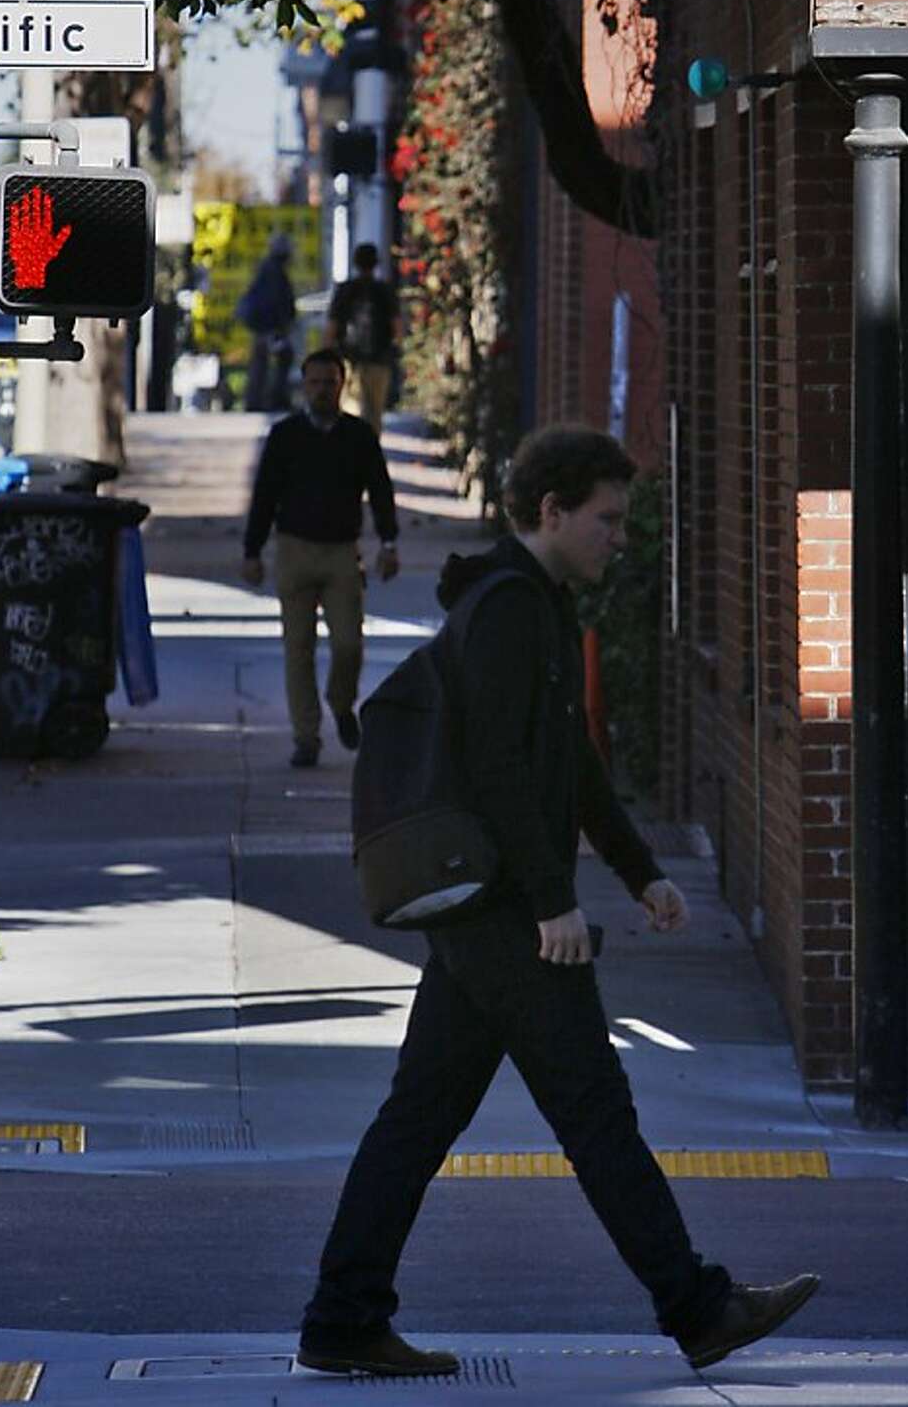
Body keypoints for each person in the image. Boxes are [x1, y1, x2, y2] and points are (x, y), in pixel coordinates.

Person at [296, 423, 819, 1380]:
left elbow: (568, 761)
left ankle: (342, 1318)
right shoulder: (507, 609)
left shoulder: (532, 605)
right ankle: (697, 1307)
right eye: (606, 519)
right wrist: (551, 905)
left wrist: (639, 869)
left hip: (488, 911)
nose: (618, 537)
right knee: (594, 1112)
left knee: (420, 1119)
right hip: (502, 913)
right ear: (552, 510)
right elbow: (497, 766)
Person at [242, 347, 400, 768]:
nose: (322, 390)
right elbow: (264, 495)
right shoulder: (286, 436)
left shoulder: (359, 436)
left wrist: (389, 542)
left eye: (330, 382)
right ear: (303, 385)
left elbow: (381, 491)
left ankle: (341, 702)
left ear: (342, 385)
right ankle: (305, 737)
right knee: (298, 649)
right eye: (314, 382)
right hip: (294, 548)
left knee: (349, 643)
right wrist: (252, 550)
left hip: (341, 552)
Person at [325, 242, 401, 436]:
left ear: (355, 263)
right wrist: (395, 349)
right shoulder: (384, 290)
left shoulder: (345, 290)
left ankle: (350, 449)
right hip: (379, 358)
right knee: (374, 410)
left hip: (349, 358)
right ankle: (370, 450)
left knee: (350, 405)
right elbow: (397, 325)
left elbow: (333, 325)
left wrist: (327, 354)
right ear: (376, 263)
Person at [239, 231, 296, 413]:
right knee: (277, 359)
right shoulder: (274, 270)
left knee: (264, 361)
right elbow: (276, 300)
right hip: (270, 326)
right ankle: (272, 399)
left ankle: (261, 399)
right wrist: (281, 324)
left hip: (266, 326)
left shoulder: (269, 268)